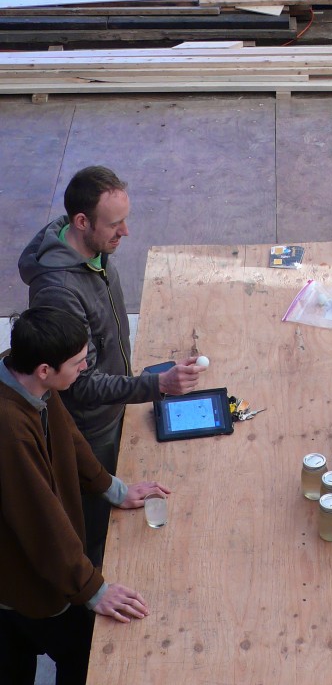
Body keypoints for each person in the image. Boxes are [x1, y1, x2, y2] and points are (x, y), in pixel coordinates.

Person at [0, 307, 169, 685]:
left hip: (11, 573)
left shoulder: (24, 379)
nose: (84, 369)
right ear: (44, 369)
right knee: (77, 646)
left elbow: (70, 438)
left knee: (11, 650)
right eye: (77, 363)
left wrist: (114, 488)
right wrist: (91, 587)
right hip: (27, 572)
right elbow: (41, 522)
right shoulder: (10, 430)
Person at [19, 165, 204, 567]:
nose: (126, 233)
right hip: (91, 428)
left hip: (114, 407)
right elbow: (78, 385)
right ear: (82, 221)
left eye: (126, 220)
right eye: (115, 224)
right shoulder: (58, 293)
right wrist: (155, 386)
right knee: (98, 524)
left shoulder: (93, 248)